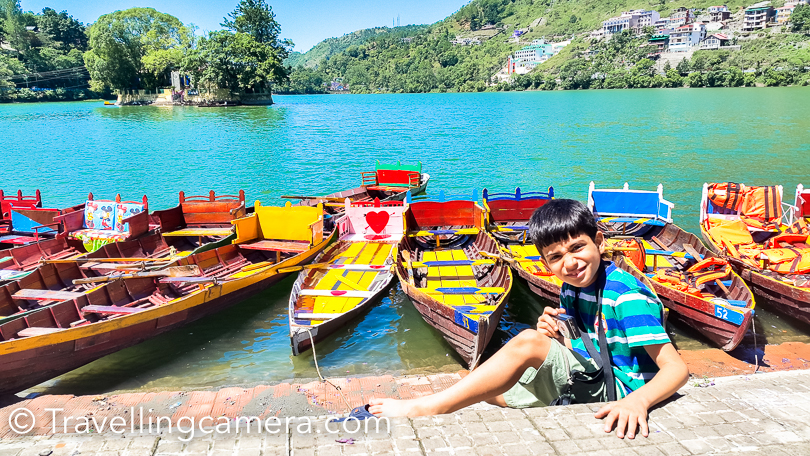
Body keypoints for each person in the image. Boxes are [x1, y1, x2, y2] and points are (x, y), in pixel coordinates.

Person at [369, 199, 689, 439]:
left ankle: (425, 409)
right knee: (484, 387)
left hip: (623, 390)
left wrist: (639, 403)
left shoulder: (625, 294)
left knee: (523, 344)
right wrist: (556, 336)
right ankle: (438, 401)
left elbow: (676, 369)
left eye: (578, 247)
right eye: (556, 256)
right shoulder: (572, 289)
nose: (571, 262)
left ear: (599, 242)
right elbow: (591, 343)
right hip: (595, 376)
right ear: (546, 262)